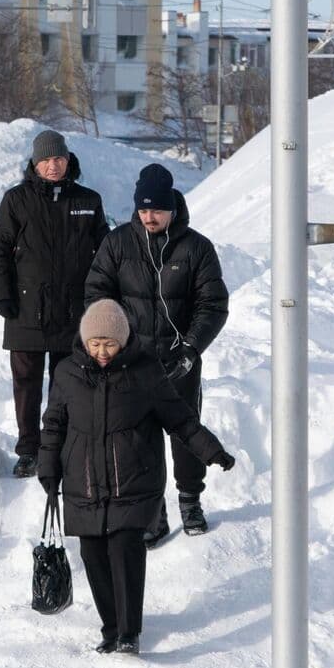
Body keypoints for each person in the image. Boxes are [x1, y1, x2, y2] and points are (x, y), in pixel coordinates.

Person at [39, 300, 236, 655]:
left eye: (109, 344)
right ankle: (111, 628)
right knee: (93, 554)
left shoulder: (145, 371)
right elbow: (54, 423)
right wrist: (48, 467)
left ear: (123, 341)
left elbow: (180, 419)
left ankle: (129, 632)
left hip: (134, 479)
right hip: (82, 481)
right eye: (95, 344)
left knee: (124, 549)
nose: (101, 351)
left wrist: (211, 450)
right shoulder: (68, 372)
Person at [84, 164, 230, 543]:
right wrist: (113, 346)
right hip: (131, 363)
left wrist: (191, 348)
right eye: (144, 210)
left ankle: (190, 500)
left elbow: (212, 305)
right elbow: (98, 295)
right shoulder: (117, 244)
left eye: (157, 211)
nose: (150, 217)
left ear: (173, 208)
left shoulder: (197, 248)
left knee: (185, 434)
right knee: (138, 442)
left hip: (179, 361)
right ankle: (153, 512)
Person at [0, 130, 108, 481]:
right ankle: (28, 450)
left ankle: (59, 447)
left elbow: (106, 255)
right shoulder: (17, 200)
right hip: (26, 310)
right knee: (25, 384)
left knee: (66, 382)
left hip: (74, 311)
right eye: (45, 160)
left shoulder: (89, 200)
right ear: (35, 164)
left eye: (58, 159)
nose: (52, 166)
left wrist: (101, 301)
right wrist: (2, 295)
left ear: (67, 160)